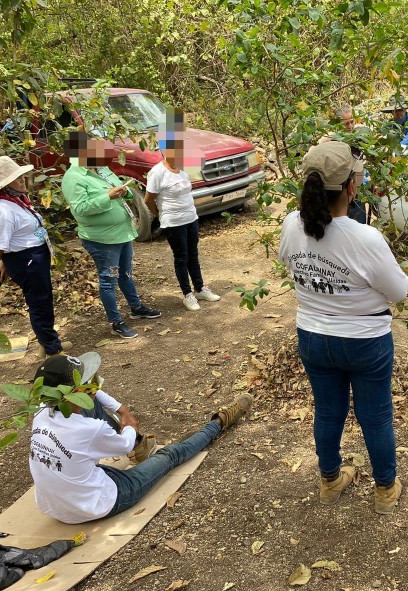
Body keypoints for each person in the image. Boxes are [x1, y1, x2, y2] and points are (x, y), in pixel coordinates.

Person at [278, 141, 408, 514]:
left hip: (314, 336)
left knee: (328, 410)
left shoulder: (290, 224)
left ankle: (330, 480)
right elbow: (399, 292)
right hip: (365, 341)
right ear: (351, 188)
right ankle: (385, 488)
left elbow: (290, 262)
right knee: (376, 415)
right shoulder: (365, 238)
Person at [29, 352, 252, 524]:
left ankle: (142, 449)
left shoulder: (41, 410)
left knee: (94, 410)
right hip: (99, 505)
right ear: (72, 392)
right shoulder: (89, 429)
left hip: (54, 506)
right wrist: (129, 425)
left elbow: (94, 394)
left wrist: (121, 409)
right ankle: (219, 422)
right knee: (170, 455)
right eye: (85, 386)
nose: (92, 389)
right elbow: (124, 444)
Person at [61, 132, 161, 339]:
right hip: (102, 239)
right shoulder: (74, 177)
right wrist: (108, 196)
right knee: (109, 279)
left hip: (122, 233)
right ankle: (116, 321)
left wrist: (127, 192)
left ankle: (136, 308)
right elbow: (80, 209)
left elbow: (123, 190)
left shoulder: (101, 169)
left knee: (126, 274)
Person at [0, 156, 71, 356]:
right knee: (39, 302)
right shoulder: (2, 210)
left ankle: (47, 341)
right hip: (26, 259)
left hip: (34, 255)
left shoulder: (16, 199)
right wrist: (6, 259)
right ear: (4, 185)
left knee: (44, 299)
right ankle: (52, 350)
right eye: (17, 178)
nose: (23, 179)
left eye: (21, 175)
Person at [144, 121, 221, 312]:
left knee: (193, 255)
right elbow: (148, 200)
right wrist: (161, 215)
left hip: (190, 218)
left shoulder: (182, 169)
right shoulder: (157, 173)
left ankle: (200, 288)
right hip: (173, 222)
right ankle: (187, 294)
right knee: (181, 258)